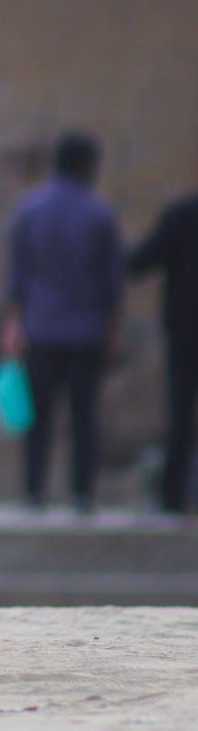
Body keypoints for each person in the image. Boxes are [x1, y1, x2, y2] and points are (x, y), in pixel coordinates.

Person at [1, 131, 124, 514]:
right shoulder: (100, 213)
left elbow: (17, 276)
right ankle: (81, 494)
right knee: (83, 416)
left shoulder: (29, 209)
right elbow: (112, 284)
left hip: (40, 326)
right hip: (87, 330)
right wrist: (112, 330)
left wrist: (11, 325)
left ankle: (33, 491)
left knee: (38, 415)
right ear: (87, 166)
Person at [128, 189, 198, 513]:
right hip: (184, 330)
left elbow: (140, 261)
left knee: (180, 414)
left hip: (185, 330)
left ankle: (174, 496)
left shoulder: (182, 215)